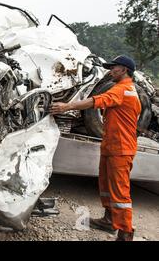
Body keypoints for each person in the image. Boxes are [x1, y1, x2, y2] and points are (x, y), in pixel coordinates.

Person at [50, 55, 141, 241]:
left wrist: (67, 106)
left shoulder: (123, 90)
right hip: (112, 145)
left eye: (114, 68)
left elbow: (95, 101)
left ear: (124, 70)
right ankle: (109, 220)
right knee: (106, 187)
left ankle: (126, 232)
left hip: (121, 149)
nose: (110, 71)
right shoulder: (124, 89)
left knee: (119, 192)